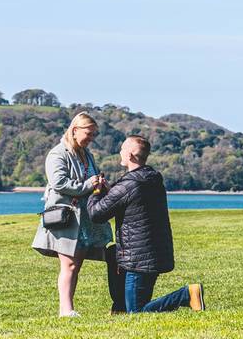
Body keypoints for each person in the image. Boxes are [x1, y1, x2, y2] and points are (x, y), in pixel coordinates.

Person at [88, 135, 205, 313]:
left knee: (137, 312)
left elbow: (96, 214)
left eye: (123, 149)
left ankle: (187, 294)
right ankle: (120, 311)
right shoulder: (152, 180)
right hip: (153, 252)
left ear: (132, 155)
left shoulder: (128, 185)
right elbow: (132, 204)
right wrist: (110, 192)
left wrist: (96, 191)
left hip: (137, 258)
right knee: (134, 308)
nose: (120, 152)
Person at [31, 112, 113, 317]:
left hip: (83, 218)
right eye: (89, 133)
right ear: (75, 130)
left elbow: (90, 179)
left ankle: (68, 308)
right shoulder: (58, 154)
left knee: (75, 265)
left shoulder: (87, 154)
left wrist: (100, 185)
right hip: (65, 217)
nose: (92, 138)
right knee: (69, 264)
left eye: (94, 134)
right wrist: (89, 184)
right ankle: (65, 310)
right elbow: (59, 183)